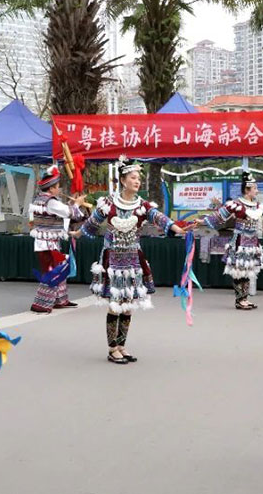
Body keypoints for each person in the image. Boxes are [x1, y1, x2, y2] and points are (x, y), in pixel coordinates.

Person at [76, 156, 186, 364]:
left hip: (133, 260)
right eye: (133, 178)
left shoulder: (142, 206)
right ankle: (112, 348)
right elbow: (91, 223)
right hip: (112, 260)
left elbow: (160, 218)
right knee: (115, 304)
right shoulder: (108, 203)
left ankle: (121, 345)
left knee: (128, 305)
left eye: (139, 178)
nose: (137, 181)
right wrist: (77, 233)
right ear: (123, 180)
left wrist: (178, 228)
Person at [202, 171, 263, 310]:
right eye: (255, 188)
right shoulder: (236, 204)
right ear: (247, 190)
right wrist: (203, 221)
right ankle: (239, 299)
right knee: (239, 270)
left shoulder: (258, 206)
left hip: (252, 242)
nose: (257, 191)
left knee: (248, 270)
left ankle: (244, 298)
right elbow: (219, 215)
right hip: (239, 241)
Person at [29, 165, 87, 313]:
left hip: (47, 242)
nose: (59, 189)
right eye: (57, 187)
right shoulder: (51, 201)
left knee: (59, 267)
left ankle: (59, 299)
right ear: (51, 189)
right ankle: (40, 304)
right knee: (52, 271)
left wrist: (73, 204)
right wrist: (77, 204)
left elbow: (62, 210)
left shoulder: (41, 199)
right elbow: (67, 212)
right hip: (47, 243)